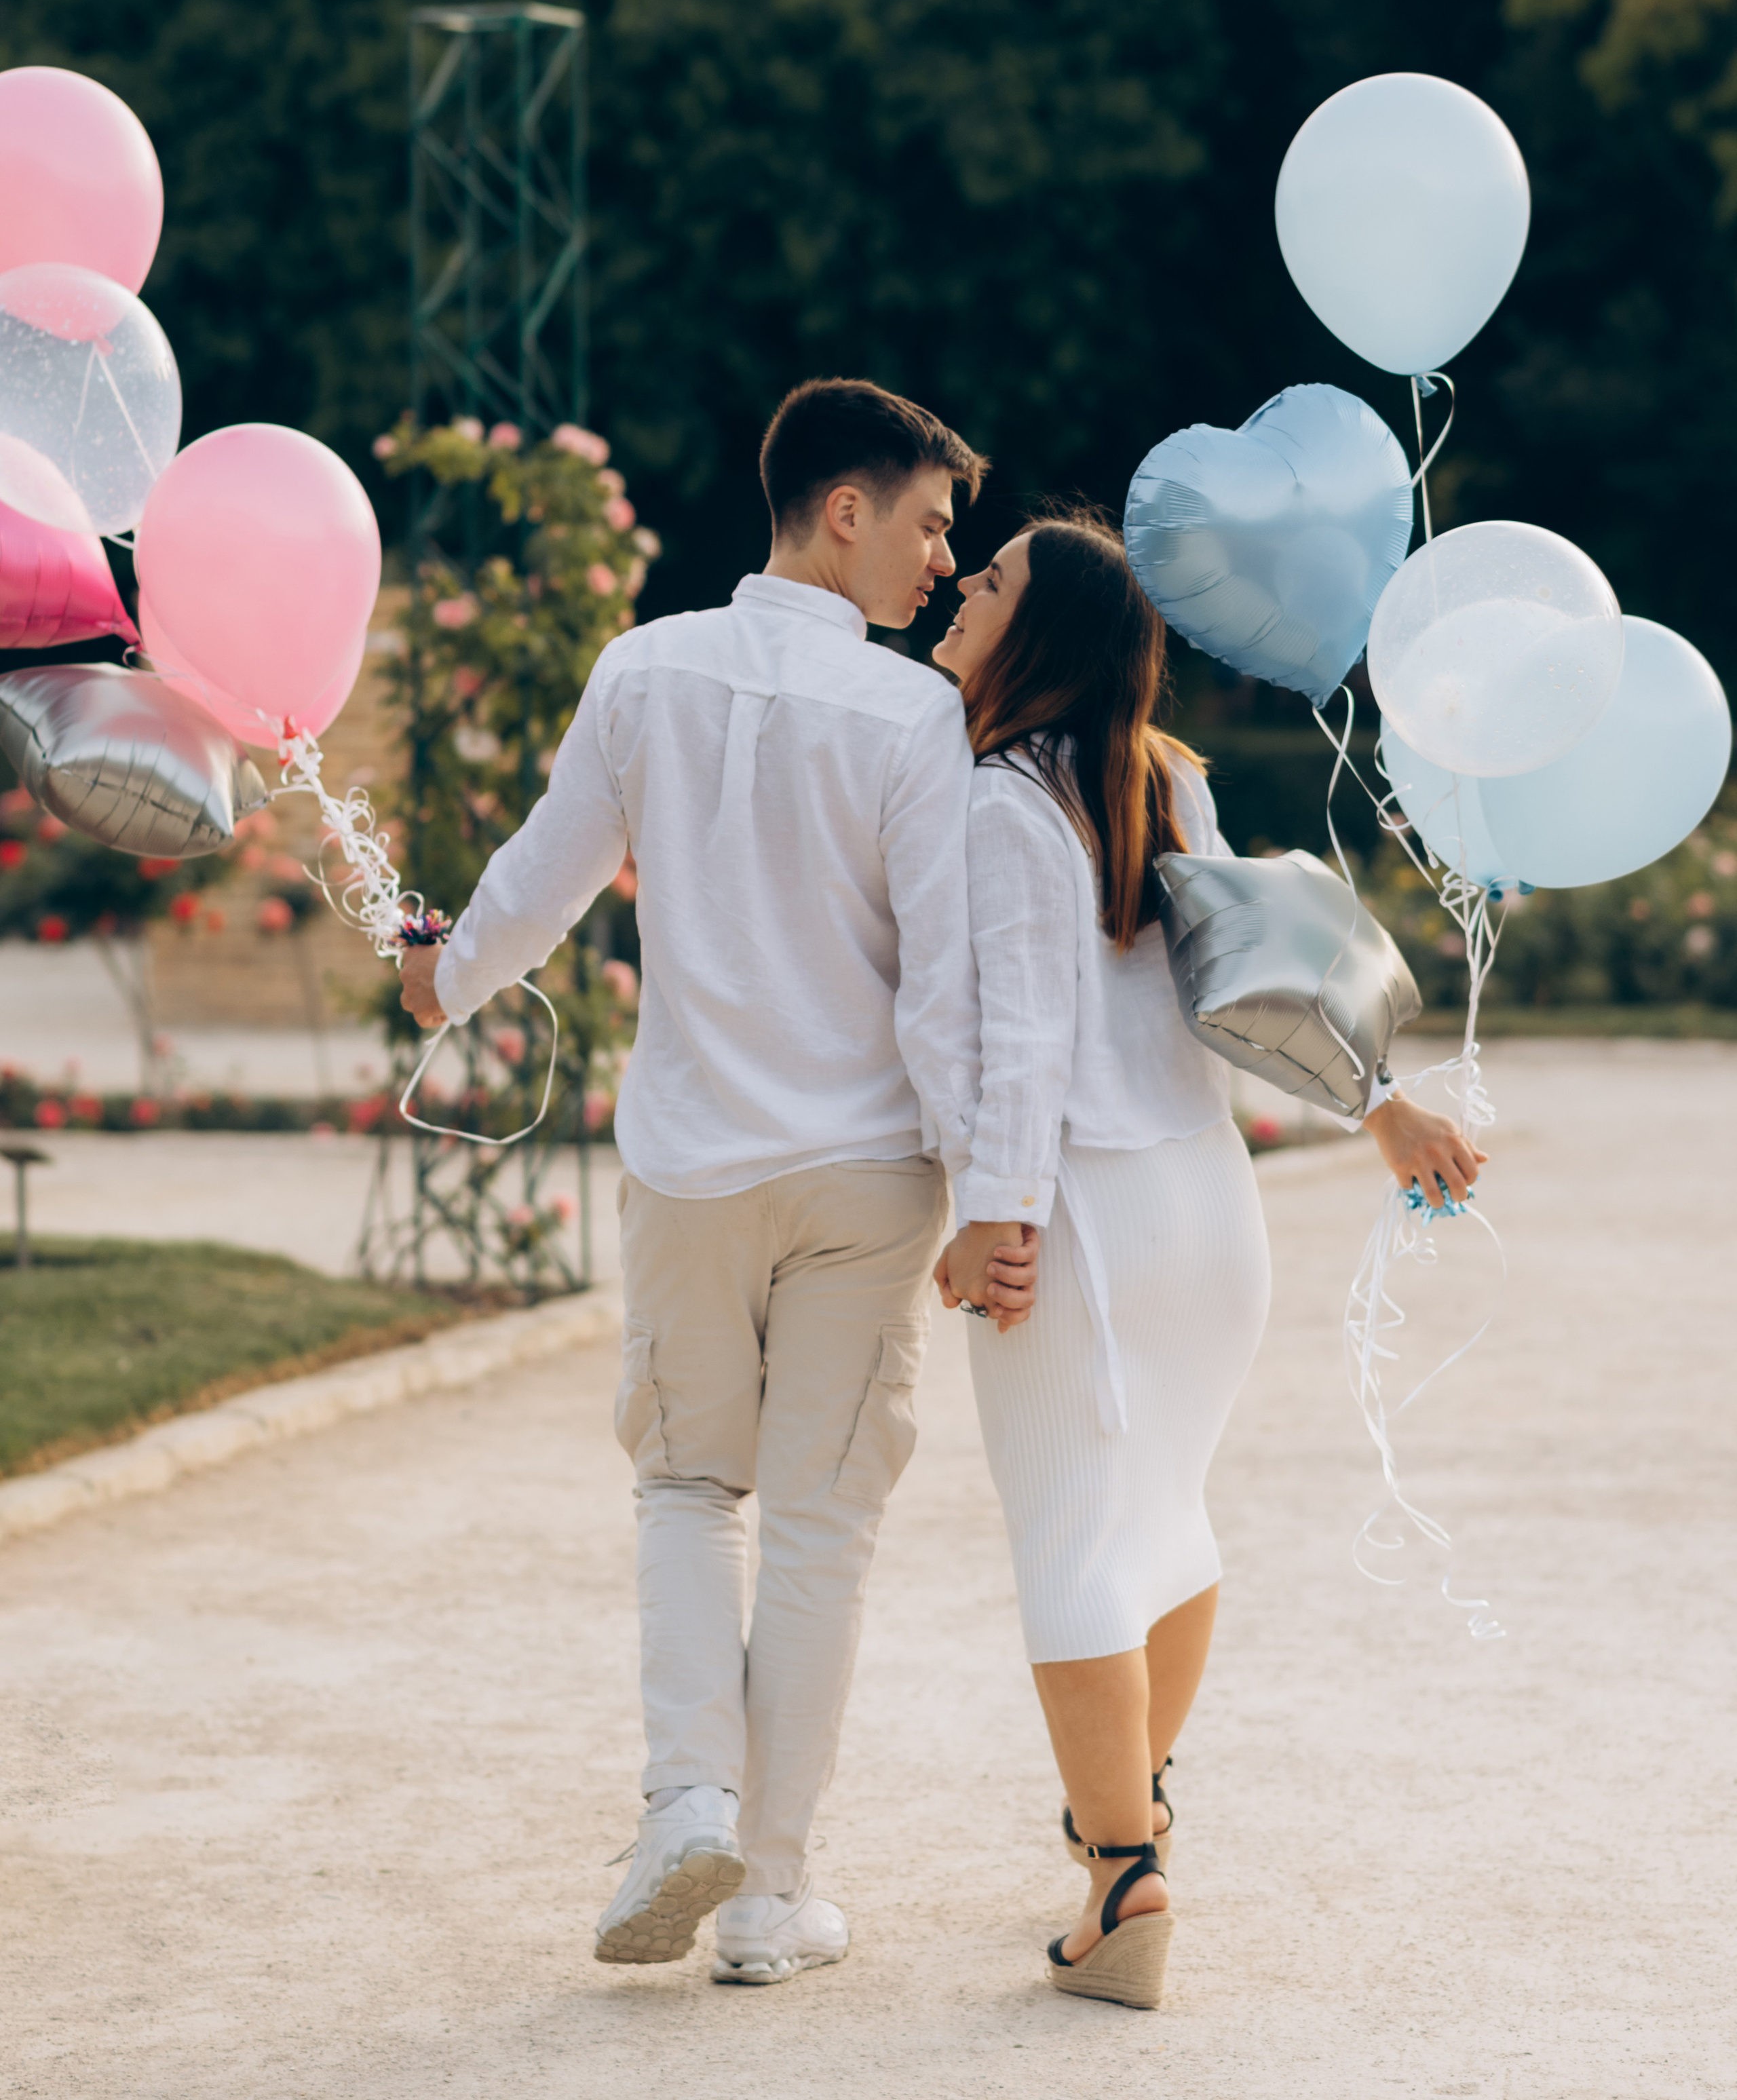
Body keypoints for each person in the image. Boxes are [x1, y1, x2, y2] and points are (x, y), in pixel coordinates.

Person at [400, 379, 987, 1988]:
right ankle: (761, 1905)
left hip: (690, 1169)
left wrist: (443, 984)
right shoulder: (911, 718)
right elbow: (940, 989)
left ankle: (685, 1805)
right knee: (817, 1528)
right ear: (843, 508)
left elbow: (542, 878)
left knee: (679, 1491)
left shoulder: (640, 669)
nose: (944, 559)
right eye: (930, 523)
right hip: (868, 1173)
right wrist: (990, 1192)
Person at [932, 509, 1487, 2012]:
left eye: (987, 585)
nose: (961, 594)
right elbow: (1258, 973)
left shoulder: (1003, 796)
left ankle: (1121, 1882)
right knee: (1165, 1524)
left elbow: (1025, 1030)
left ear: (1037, 636)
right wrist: (1378, 1104)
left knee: (1069, 1545)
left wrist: (991, 1213)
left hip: (1081, 1212)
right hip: (1203, 1206)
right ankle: (1134, 1822)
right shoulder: (1164, 774)